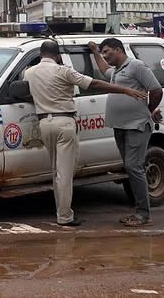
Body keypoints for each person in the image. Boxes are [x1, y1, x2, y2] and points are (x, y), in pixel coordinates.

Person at [24, 40, 149, 227]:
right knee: (64, 173)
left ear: (41, 55)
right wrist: (125, 90)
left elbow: (106, 72)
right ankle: (65, 216)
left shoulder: (29, 72)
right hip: (64, 122)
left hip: (44, 123)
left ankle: (61, 211)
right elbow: (95, 83)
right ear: (57, 56)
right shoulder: (63, 70)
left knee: (55, 171)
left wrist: (94, 52)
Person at [89, 38, 164, 227]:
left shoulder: (136, 66)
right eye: (103, 53)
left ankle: (143, 214)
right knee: (130, 167)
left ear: (118, 49)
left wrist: (147, 110)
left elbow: (156, 90)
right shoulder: (116, 71)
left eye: (108, 52)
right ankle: (139, 211)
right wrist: (95, 52)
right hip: (120, 126)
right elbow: (103, 69)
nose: (106, 56)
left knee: (134, 168)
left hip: (136, 126)